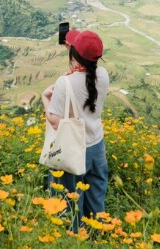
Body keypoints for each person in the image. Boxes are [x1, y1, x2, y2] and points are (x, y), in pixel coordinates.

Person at [41, 29, 109, 226]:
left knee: (69, 202)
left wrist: (45, 98)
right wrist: (74, 50)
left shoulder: (65, 82)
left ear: (74, 54)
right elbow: (85, 70)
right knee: (96, 199)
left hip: (73, 149)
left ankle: (74, 239)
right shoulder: (103, 75)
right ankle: (98, 237)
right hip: (97, 146)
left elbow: (55, 120)